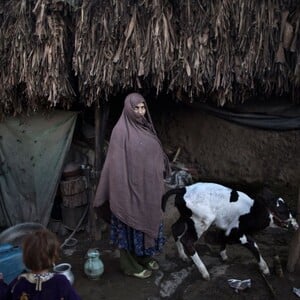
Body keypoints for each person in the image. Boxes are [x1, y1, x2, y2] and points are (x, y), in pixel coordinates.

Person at [94, 92, 170, 279]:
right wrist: (124, 191)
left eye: (142, 107)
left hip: (148, 189)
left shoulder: (146, 127)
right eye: (135, 108)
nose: (140, 111)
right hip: (128, 190)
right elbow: (116, 165)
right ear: (128, 109)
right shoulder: (120, 132)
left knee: (148, 222)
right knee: (130, 226)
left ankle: (143, 259)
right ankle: (130, 266)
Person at [5, 228, 81, 300]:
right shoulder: (60, 282)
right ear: (53, 258)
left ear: (25, 257)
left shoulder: (18, 283)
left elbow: (5, 297)